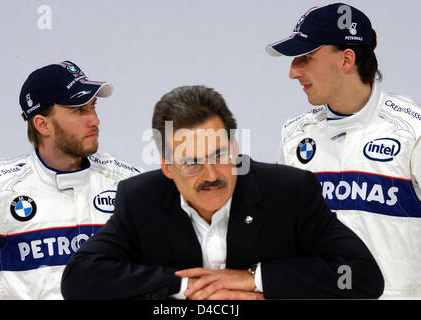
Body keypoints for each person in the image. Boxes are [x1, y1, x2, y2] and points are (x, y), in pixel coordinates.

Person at [61, 85, 384, 299]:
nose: (211, 175)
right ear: (167, 167)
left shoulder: (290, 192)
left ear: (235, 148)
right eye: (191, 163)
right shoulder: (141, 199)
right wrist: (187, 285)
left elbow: (361, 275)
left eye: (219, 155)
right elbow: (80, 279)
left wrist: (255, 279)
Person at [266, 3, 421, 298]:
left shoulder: (413, 133)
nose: (293, 72)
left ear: (346, 59)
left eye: (306, 57)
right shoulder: (294, 137)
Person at [0, 60, 142, 299]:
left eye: (94, 107)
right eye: (79, 110)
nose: (95, 120)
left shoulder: (131, 185)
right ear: (42, 124)